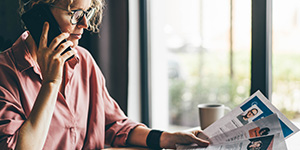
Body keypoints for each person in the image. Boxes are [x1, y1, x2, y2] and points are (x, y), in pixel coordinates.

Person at [0, 0, 210, 149]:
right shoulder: (4, 72)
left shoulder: (84, 62)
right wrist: (51, 83)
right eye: (74, 14)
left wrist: (166, 138)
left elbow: (114, 125)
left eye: (87, 13)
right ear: (40, 13)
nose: (84, 24)